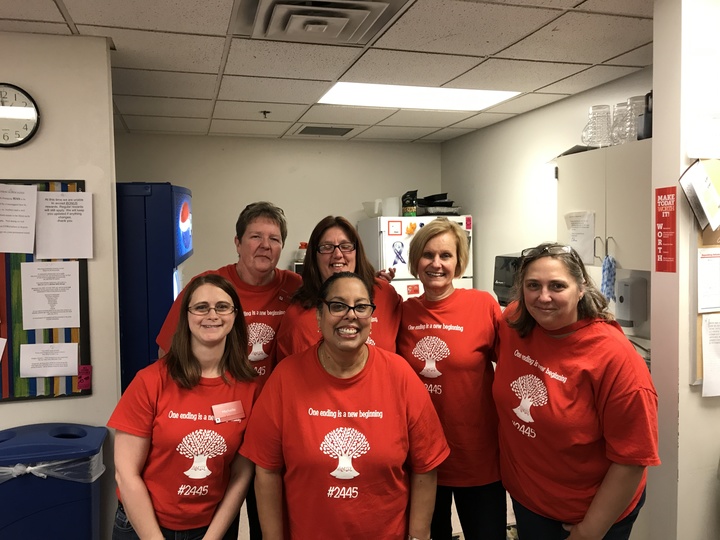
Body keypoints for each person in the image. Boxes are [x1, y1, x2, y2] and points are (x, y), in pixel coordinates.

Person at [241, 272, 450, 539]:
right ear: (319, 315)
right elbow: (267, 471)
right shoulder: (286, 377)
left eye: (361, 306)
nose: (350, 315)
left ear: (371, 318)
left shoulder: (400, 375)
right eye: (338, 305)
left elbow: (426, 466)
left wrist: (418, 536)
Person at [495, 242, 660, 540]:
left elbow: (632, 459)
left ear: (581, 288)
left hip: (586, 513)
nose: (543, 297)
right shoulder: (515, 322)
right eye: (533, 285)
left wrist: (589, 531)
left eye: (557, 285)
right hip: (528, 498)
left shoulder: (614, 359)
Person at [108, 274, 259, 540]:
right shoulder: (150, 381)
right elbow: (125, 474)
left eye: (222, 307)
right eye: (201, 307)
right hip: (143, 526)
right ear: (186, 316)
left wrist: (212, 537)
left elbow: (241, 473)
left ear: (234, 315)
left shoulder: (250, 388)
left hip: (212, 527)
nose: (212, 315)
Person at [396, 217, 507, 540]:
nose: (436, 264)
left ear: (459, 262)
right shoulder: (403, 311)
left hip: (479, 458)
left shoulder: (482, 305)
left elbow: (518, 360)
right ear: (416, 260)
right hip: (422, 459)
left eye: (446, 256)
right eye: (428, 255)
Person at [156, 201, 302, 385]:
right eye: (256, 236)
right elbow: (167, 352)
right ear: (238, 243)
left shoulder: (295, 286)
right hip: (221, 400)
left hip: (276, 399)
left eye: (274, 239)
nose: (265, 245)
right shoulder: (205, 287)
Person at [275, 215, 402, 360]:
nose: (337, 254)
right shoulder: (296, 318)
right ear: (314, 256)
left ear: (357, 252)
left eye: (345, 246)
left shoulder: (385, 295)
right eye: (327, 247)